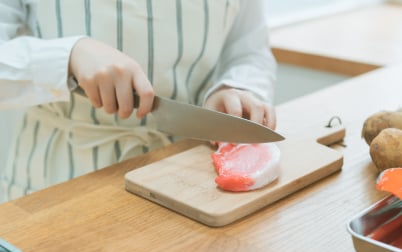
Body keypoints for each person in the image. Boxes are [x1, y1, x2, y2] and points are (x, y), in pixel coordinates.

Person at [0, 0, 277, 202]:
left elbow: (250, 50)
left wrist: (236, 86)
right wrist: (68, 56)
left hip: (192, 181)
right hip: (52, 182)